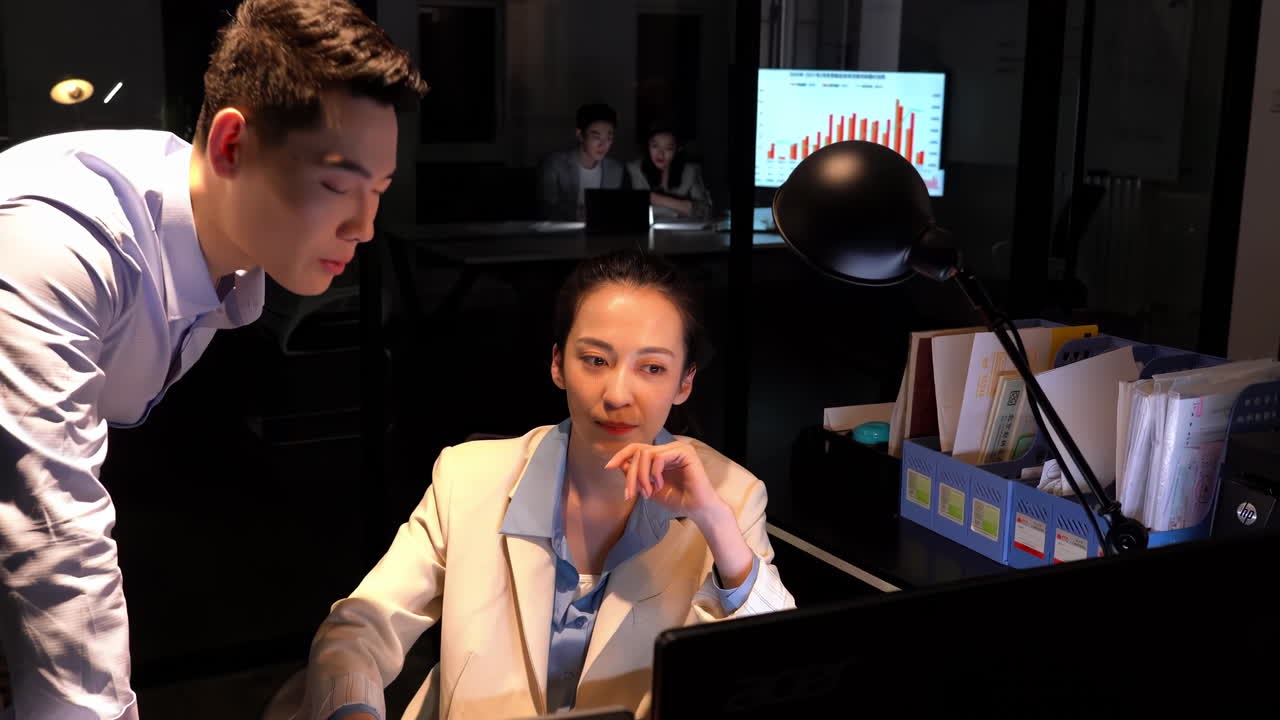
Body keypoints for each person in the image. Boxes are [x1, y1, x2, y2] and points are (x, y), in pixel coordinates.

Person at [0, 1, 426, 717]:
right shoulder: (63, 242)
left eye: (376, 193)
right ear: (231, 146)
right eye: (336, 186)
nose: (363, 227)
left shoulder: (224, 261)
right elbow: (54, 539)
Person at [297, 250, 795, 720]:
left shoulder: (731, 496)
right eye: (596, 360)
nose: (617, 394)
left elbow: (775, 670)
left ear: (684, 383)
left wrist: (713, 522)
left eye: (652, 368)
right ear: (558, 364)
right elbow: (359, 629)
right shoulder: (468, 477)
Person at [536, 103, 627, 221]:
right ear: (580, 135)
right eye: (596, 137)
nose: (603, 145)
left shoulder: (615, 169)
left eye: (609, 138)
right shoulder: (555, 165)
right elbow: (547, 210)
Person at [624, 126, 712, 220]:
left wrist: (655, 199)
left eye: (668, 148)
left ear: (678, 149)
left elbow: (706, 211)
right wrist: (683, 208)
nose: (660, 154)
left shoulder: (690, 171)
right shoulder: (634, 169)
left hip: (682, 232)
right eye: (655, 146)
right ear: (647, 146)